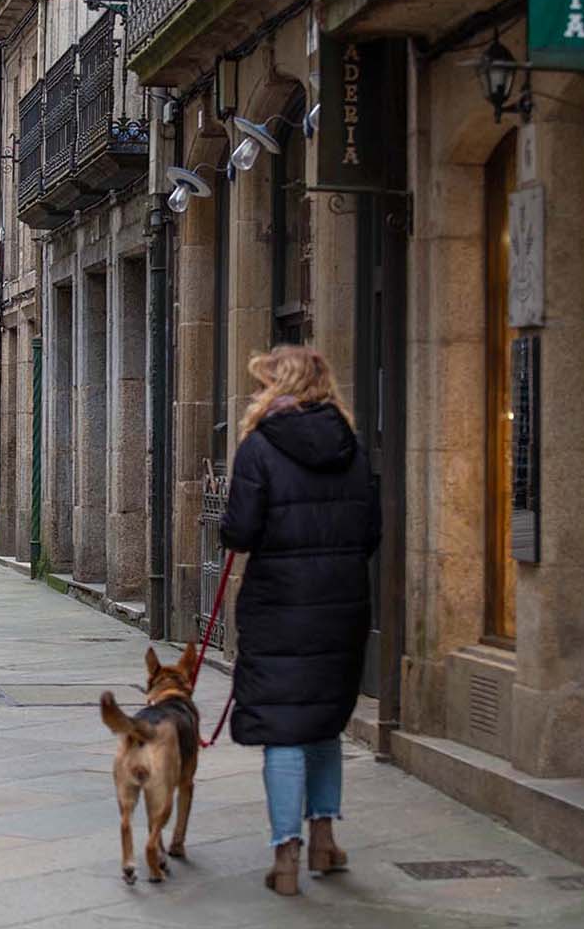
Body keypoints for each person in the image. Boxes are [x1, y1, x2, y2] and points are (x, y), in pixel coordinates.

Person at [219, 345, 381, 897]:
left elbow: (239, 532)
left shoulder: (259, 446)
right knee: (324, 722)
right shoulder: (352, 448)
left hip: (278, 606)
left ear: (277, 386)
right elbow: (372, 532)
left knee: (284, 730)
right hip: (341, 605)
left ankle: (285, 856)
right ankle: (324, 839)